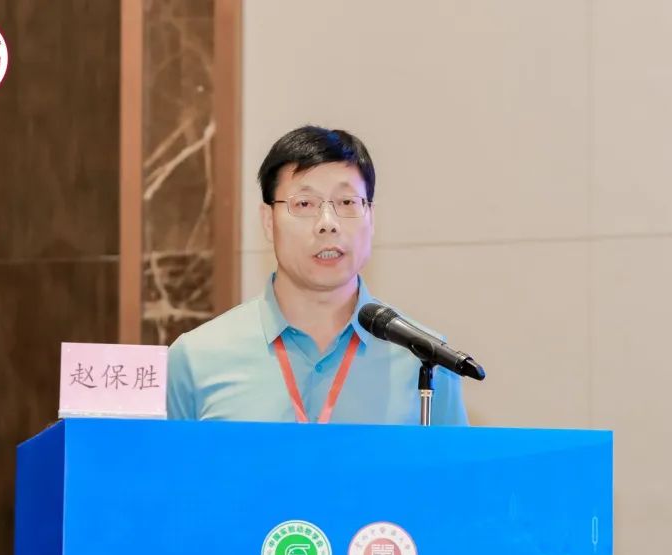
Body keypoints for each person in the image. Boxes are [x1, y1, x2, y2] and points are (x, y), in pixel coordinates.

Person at [165, 125, 468, 425]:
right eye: (304, 204)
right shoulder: (196, 358)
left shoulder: (425, 360)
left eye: (347, 202)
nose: (327, 223)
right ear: (268, 221)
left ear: (371, 217)